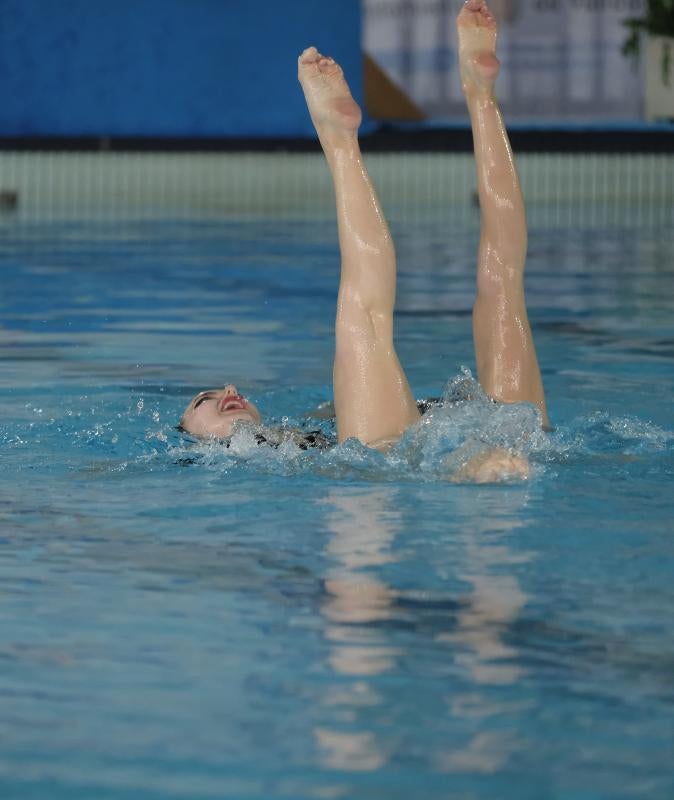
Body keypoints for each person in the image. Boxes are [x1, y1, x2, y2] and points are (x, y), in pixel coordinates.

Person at [179, 0, 548, 481]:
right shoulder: (243, 457)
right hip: (511, 435)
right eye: (203, 401)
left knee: (380, 315)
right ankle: (480, 95)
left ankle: (344, 139)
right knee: (504, 285)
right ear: (192, 441)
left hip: (412, 451)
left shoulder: (290, 446)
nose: (226, 388)